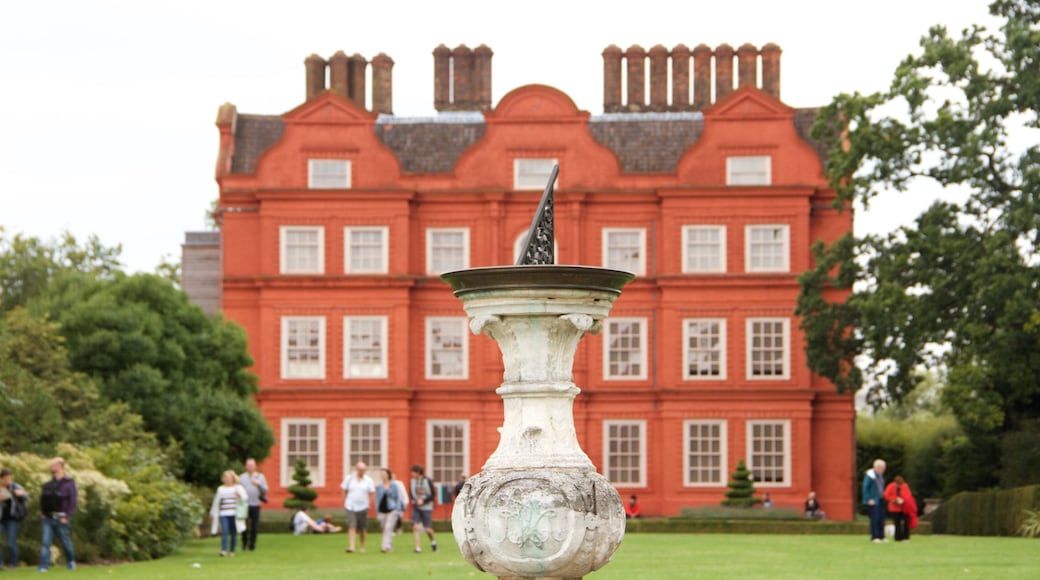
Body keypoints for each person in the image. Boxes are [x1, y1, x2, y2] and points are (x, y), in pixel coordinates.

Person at [38, 457, 78, 572]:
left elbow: (73, 501)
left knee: (65, 541)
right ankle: (44, 566)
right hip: (48, 517)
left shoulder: (69, 483)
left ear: (60, 466)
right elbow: (44, 499)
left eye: (53, 465)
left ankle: (71, 561)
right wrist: (43, 513)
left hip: (62, 517)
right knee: (46, 542)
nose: (51, 467)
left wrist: (68, 516)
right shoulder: (49, 484)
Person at [209, 470, 248, 557]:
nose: (227, 479)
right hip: (224, 513)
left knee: (233, 532)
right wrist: (212, 512)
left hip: (235, 514)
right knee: (225, 531)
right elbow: (216, 502)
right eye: (226, 478)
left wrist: (239, 496)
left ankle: (232, 550)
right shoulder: (220, 489)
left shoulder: (238, 488)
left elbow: (245, 499)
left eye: (229, 478)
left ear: (233, 479)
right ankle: (223, 550)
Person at [341, 461, 376, 553]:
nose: (362, 471)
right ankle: (351, 546)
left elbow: (372, 493)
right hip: (351, 505)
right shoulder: (349, 478)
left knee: (362, 528)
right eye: (360, 470)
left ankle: (362, 545)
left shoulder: (368, 480)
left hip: (363, 506)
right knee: (352, 526)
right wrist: (345, 501)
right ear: (356, 469)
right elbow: (344, 490)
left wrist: (369, 503)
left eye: (364, 470)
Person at [238, 458, 268, 552]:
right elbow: (238, 489)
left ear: (255, 466)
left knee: (254, 526)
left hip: (255, 504)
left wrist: (258, 484)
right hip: (244, 505)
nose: (250, 467)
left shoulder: (260, 476)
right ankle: (244, 543)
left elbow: (265, 490)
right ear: (246, 466)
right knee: (244, 525)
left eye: (252, 465)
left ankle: (252, 544)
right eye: (248, 465)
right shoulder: (242, 477)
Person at [0, 468, 28, 570]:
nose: (7, 480)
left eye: (9, 478)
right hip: (1, 519)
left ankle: (13, 564)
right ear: (1, 479)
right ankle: (0, 564)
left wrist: (22, 494)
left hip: (13, 519)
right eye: (5, 478)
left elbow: (25, 496)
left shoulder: (15, 486)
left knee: (11, 543)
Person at [375, 468, 405, 553]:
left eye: (384, 474)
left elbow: (398, 497)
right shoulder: (379, 486)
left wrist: (398, 509)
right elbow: (377, 499)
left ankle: (385, 547)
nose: (383, 475)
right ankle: (390, 545)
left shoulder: (394, 485)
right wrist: (376, 510)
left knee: (388, 528)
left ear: (388, 475)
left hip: (392, 509)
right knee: (385, 528)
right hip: (382, 510)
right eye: (381, 474)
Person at [409, 464, 438, 553]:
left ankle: (433, 542)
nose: (412, 474)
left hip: (427, 507)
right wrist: (414, 500)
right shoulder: (413, 481)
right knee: (415, 526)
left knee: (427, 529)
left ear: (418, 472)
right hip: (417, 507)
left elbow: (433, 494)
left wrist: (424, 500)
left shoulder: (427, 481)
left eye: (413, 472)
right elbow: (411, 493)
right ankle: (418, 548)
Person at [884, 475, 918, 542]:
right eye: (898, 484)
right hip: (894, 508)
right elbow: (886, 495)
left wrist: (903, 500)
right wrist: (894, 499)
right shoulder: (891, 486)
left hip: (904, 508)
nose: (899, 486)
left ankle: (906, 537)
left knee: (906, 522)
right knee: (897, 523)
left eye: (900, 484)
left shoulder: (905, 486)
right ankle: (897, 538)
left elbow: (908, 495)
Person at [862, 458, 887, 543]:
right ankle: (875, 536)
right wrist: (869, 499)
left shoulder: (880, 475)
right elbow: (865, 488)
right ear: (878, 467)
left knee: (881, 518)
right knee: (875, 519)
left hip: (880, 499)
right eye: (883, 468)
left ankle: (881, 536)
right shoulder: (870, 475)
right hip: (873, 500)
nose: (884, 470)